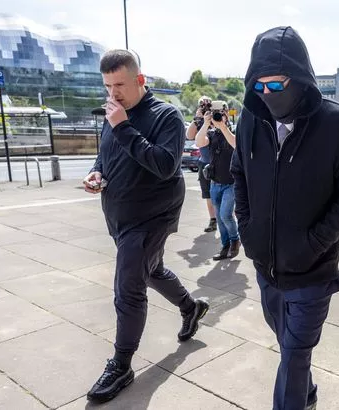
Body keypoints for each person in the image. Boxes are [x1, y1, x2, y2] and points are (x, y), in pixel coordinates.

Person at [231, 26, 339, 410]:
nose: (267, 94)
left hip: (312, 272)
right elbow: (239, 173)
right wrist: (247, 229)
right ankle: (307, 394)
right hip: (266, 268)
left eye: (276, 85)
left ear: (298, 77)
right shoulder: (250, 119)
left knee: (294, 355)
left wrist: (313, 243)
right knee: (289, 348)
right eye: (258, 87)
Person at [82, 49, 209, 403]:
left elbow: (166, 165)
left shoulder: (166, 115)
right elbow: (106, 154)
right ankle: (191, 308)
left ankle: (121, 365)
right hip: (119, 216)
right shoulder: (113, 114)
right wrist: (95, 173)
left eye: (120, 85)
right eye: (108, 86)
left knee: (128, 287)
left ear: (140, 79)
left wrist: (122, 126)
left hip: (153, 215)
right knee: (151, 270)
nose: (113, 93)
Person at [195, 100, 241, 260]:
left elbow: (236, 145)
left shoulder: (234, 131)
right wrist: (205, 123)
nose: (218, 116)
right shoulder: (211, 133)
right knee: (220, 218)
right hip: (215, 182)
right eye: (215, 113)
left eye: (220, 113)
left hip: (231, 183)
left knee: (225, 215)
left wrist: (222, 126)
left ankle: (235, 240)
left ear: (226, 114)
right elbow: (199, 142)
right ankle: (225, 245)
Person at [187, 96, 217, 232]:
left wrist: (212, 118)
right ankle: (213, 220)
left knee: (224, 192)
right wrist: (196, 119)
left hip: (219, 163)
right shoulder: (199, 121)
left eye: (207, 105)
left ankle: (225, 218)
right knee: (208, 194)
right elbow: (189, 135)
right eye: (202, 106)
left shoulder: (215, 117)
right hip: (204, 162)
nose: (205, 108)